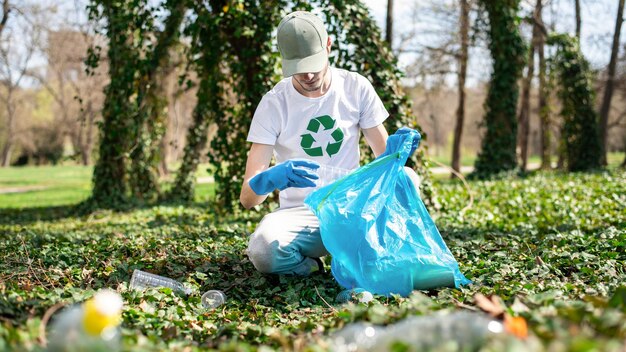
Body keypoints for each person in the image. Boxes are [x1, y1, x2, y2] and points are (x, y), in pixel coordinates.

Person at [240, 10, 420, 276]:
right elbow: (248, 199)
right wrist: (269, 180)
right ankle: (310, 266)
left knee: (407, 178)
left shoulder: (355, 87)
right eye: (298, 68)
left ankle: (385, 252)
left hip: (354, 206)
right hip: (301, 215)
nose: (308, 76)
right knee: (263, 251)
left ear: (328, 45)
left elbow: (386, 163)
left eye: (313, 64)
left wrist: (397, 153)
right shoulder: (273, 104)